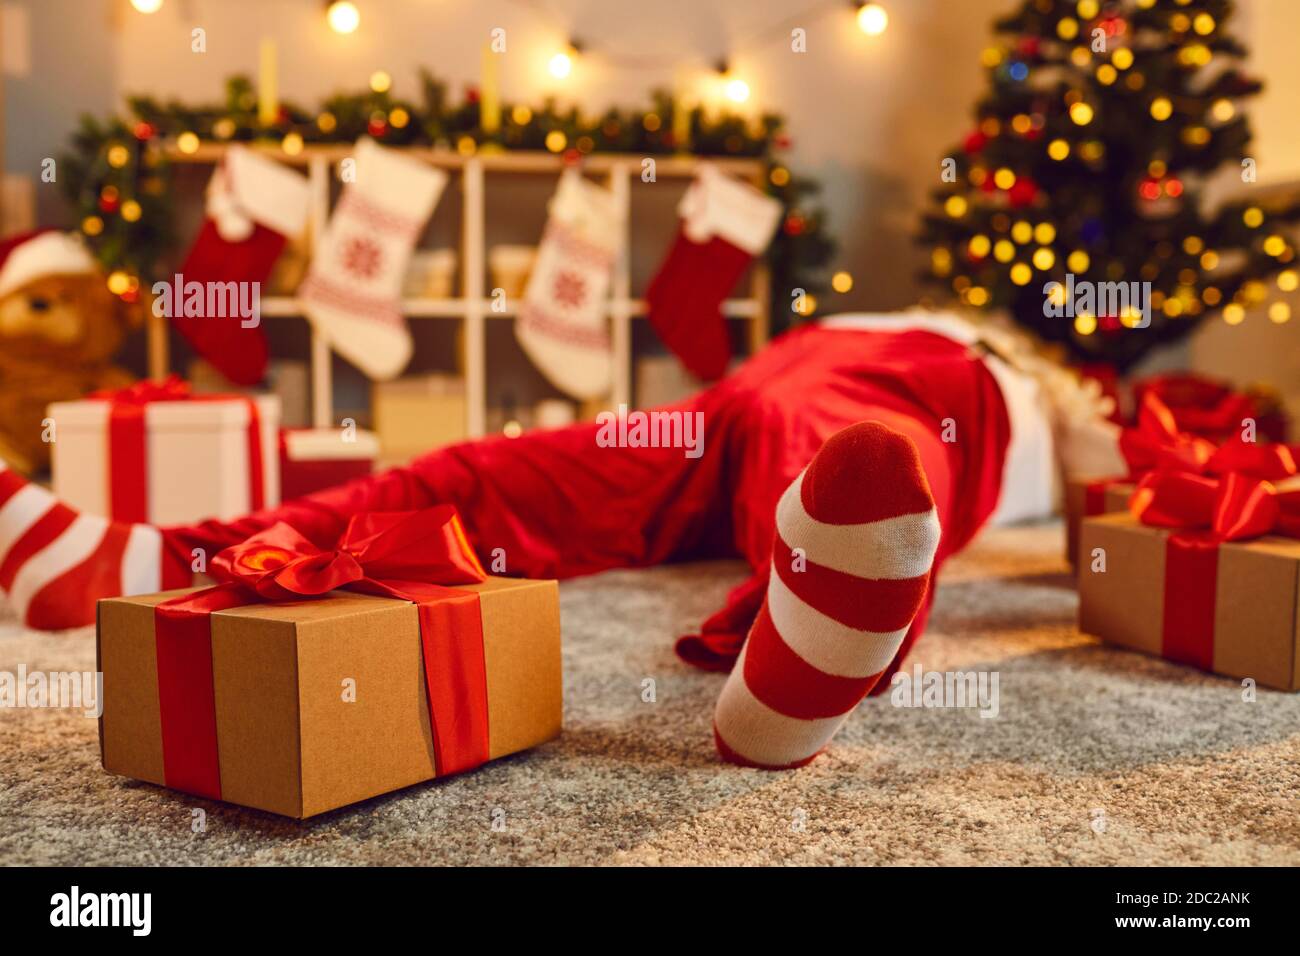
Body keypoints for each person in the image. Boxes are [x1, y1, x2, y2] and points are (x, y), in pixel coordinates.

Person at [0, 310, 1121, 767]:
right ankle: (152, 560)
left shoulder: (1009, 372)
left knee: (852, 446)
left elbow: (1110, 492)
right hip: (734, 402)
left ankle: (808, 649)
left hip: (906, 396)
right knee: (500, 474)